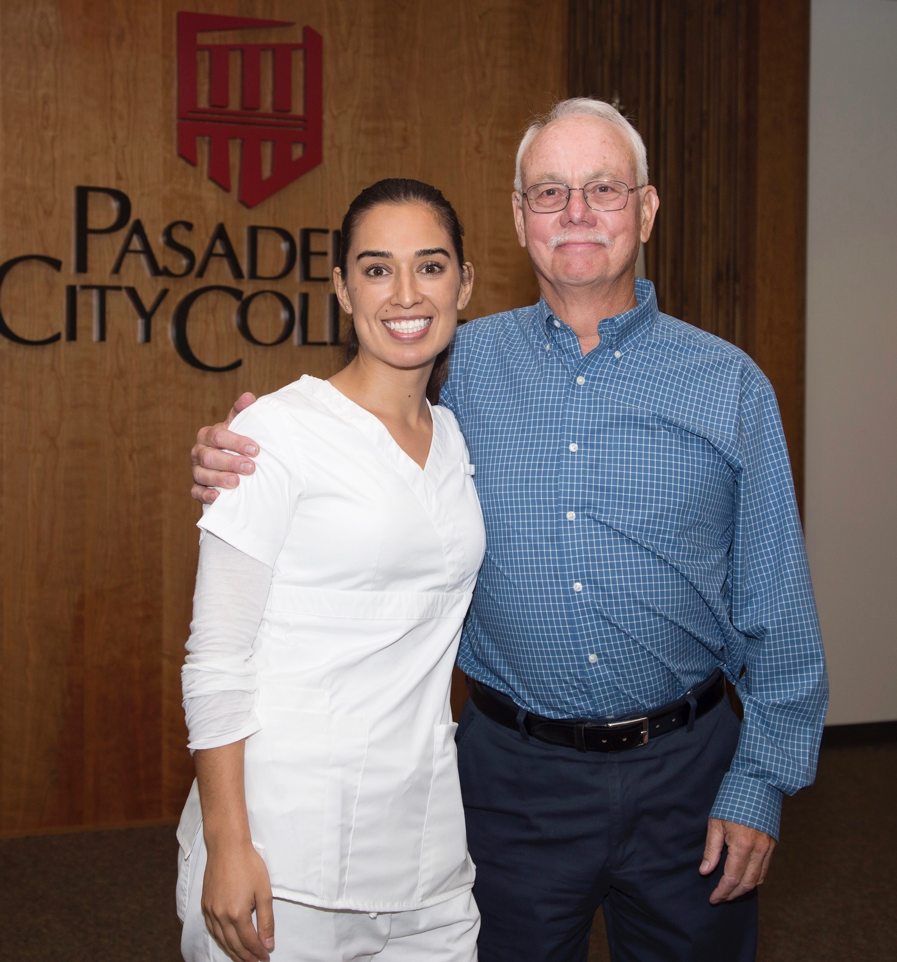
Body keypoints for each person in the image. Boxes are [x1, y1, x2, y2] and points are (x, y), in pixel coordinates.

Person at [190, 100, 828, 962]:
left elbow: (779, 612)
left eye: (602, 188)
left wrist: (759, 785)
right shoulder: (451, 362)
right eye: (549, 191)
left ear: (644, 210)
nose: (575, 211)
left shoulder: (729, 386)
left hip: (692, 775)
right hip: (509, 780)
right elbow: (347, 428)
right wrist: (237, 447)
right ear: (519, 217)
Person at [177, 179, 485, 962]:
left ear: (465, 284)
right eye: (377, 269)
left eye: (431, 266)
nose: (406, 294)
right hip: (284, 847)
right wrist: (227, 844)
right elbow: (216, 657)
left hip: (425, 845)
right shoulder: (275, 434)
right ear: (341, 288)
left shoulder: (452, 436)